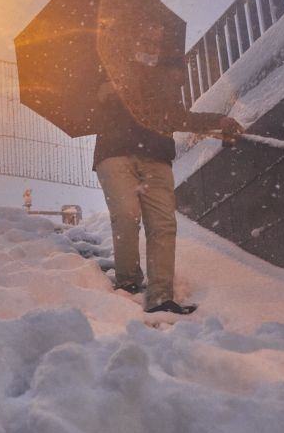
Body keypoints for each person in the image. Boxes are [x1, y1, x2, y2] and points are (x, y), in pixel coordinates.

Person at [94, 70, 243, 315]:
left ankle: (161, 296)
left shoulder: (161, 79)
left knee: (163, 224)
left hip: (157, 155)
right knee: (126, 213)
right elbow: (87, 115)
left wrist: (219, 121)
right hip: (114, 152)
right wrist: (102, 91)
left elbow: (179, 118)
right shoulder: (107, 68)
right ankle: (128, 282)